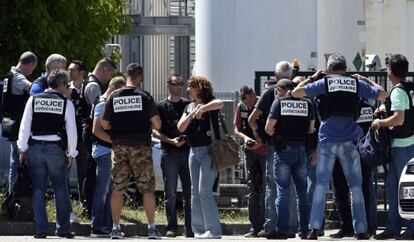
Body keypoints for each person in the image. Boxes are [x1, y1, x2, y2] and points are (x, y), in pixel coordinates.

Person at [291, 53, 387, 240]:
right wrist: (365, 79)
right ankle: (361, 230)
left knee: (320, 185)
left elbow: (295, 93)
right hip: (351, 141)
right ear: (345, 67)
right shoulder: (356, 84)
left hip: (327, 141)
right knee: (356, 186)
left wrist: (312, 77)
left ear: (329, 68)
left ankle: (314, 229)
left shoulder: (324, 83)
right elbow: (383, 94)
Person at [101, 63, 161, 239]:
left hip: (119, 146)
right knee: (147, 189)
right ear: (140, 77)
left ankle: (116, 229)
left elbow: (104, 124)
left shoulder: (114, 96)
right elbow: (157, 124)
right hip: (141, 146)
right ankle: (151, 229)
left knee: (118, 188)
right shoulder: (145, 97)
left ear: (126, 75)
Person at [17, 69, 78, 239]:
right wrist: (71, 153)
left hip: (35, 148)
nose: (68, 87)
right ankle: (63, 229)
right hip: (56, 150)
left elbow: (25, 126)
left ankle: (41, 230)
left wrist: (23, 149)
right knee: (61, 189)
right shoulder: (67, 103)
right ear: (60, 84)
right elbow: (72, 131)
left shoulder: (33, 100)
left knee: (38, 189)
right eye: (67, 84)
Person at [248, 61, 298, 238]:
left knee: (273, 186)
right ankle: (292, 226)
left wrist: (258, 136)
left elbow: (252, 118)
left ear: (276, 77)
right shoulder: (298, 91)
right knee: (291, 186)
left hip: (275, 146)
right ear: (291, 76)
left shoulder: (270, 93)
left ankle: (271, 225)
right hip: (297, 145)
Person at [372, 54, 414, 240]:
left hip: (402, 146)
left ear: (390, 71)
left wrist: (378, 123)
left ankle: (409, 228)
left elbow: (399, 119)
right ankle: (393, 227)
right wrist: (384, 110)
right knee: (393, 186)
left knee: (406, 189)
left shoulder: (398, 91)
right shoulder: (410, 88)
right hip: (407, 144)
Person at [265, 79, 314, 239]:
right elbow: (311, 129)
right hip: (301, 149)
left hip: (283, 150)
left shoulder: (279, 103)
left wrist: (278, 135)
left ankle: (283, 230)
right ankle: (305, 231)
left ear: (280, 90)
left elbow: (268, 128)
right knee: (302, 193)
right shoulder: (308, 103)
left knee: (283, 192)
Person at [177, 76, 223, 239]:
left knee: (205, 190)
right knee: (194, 192)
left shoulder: (211, 102)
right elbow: (180, 127)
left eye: (191, 87)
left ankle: (214, 231)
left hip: (208, 151)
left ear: (199, 88)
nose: (188, 90)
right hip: (193, 152)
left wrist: (202, 109)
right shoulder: (189, 106)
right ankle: (198, 229)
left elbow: (220, 104)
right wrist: (191, 114)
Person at [330, 100, 378, 238]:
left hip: (345, 150)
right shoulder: (370, 107)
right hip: (364, 151)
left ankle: (349, 227)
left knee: (342, 189)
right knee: (363, 189)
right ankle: (365, 227)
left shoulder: (343, 105)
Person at [152, 74, 193, 238]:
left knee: (189, 191)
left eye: (181, 84)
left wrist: (185, 140)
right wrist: (171, 140)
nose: (178, 86)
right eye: (175, 83)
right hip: (169, 152)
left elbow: (193, 127)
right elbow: (154, 130)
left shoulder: (188, 105)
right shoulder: (161, 106)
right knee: (170, 192)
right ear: (168, 85)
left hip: (187, 151)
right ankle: (171, 227)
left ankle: (189, 227)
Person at [78, 57, 116, 216]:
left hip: (90, 130)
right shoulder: (94, 86)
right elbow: (98, 113)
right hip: (92, 131)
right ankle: (89, 208)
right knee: (91, 171)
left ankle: (91, 207)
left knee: (91, 170)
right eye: (110, 75)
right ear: (104, 70)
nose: (108, 80)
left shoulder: (89, 82)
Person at [90, 76, 125, 236]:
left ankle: (106, 226)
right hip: (104, 151)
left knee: (110, 190)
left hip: (106, 150)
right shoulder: (103, 103)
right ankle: (97, 225)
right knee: (103, 190)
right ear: (115, 88)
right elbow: (96, 130)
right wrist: (114, 142)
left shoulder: (106, 102)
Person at [233, 85, 266, 237]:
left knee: (266, 188)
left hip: (265, 151)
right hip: (250, 153)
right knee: (252, 189)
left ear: (254, 94)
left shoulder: (264, 103)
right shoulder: (241, 107)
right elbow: (236, 130)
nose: (249, 105)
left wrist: (262, 142)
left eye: (250, 101)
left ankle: (267, 225)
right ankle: (255, 227)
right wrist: (246, 139)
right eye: (245, 102)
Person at [2, 51, 37, 194]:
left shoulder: (8, 76)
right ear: (29, 65)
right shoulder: (18, 78)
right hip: (17, 128)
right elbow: (34, 90)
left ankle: (12, 199)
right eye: (33, 69)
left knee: (14, 163)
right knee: (23, 163)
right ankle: (20, 200)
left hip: (10, 126)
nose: (31, 72)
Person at [67, 60, 88, 201]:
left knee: (83, 173)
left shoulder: (89, 88)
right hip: (67, 137)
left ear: (81, 72)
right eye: (68, 69)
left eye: (72, 69)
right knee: (64, 172)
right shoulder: (65, 89)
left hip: (83, 138)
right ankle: (64, 206)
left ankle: (84, 204)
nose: (69, 72)